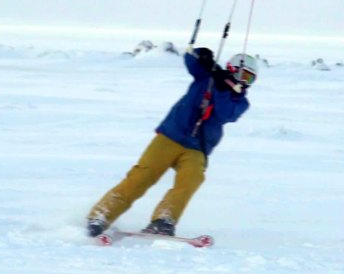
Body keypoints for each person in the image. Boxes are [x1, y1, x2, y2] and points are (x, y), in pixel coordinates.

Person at [86, 47, 257, 237]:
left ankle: (164, 220)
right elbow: (190, 59)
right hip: (171, 136)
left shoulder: (240, 102)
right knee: (141, 177)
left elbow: (224, 113)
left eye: (249, 78)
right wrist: (203, 56)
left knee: (191, 180)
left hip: (197, 148)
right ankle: (101, 215)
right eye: (242, 75)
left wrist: (223, 88)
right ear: (231, 69)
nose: (243, 82)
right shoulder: (207, 78)